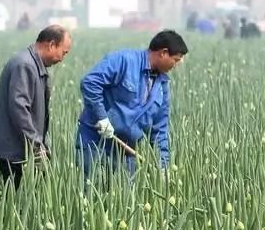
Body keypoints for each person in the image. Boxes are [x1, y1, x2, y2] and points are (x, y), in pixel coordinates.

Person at [76, 30, 188, 184]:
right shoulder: (125, 60)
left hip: (126, 151)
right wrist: (101, 117)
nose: (176, 65)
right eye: (176, 60)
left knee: (126, 202)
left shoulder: (162, 85)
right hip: (96, 143)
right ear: (163, 53)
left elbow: (160, 128)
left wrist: (163, 165)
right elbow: (90, 83)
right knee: (91, 194)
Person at [0, 25, 73, 189]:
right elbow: (19, 108)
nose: (61, 59)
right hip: (12, 150)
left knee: (24, 196)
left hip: (21, 147)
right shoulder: (25, 65)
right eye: (63, 52)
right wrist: (36, 145)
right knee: (18, 199)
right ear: (51, 45)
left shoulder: (33, 64)